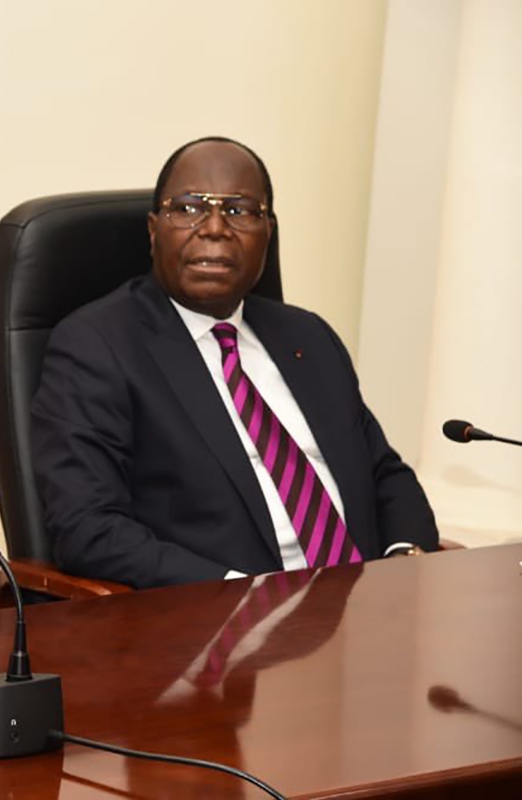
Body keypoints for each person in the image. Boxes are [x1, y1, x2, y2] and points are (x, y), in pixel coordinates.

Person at [31, 136, 438, 590]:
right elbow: (88, 529)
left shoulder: (309, 337)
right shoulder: (97, 347)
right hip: (221, 617)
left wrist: (405, 557)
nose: (214, 228)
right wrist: (240, 593)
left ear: (268, 233)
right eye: (188, 208)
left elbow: (384, 474)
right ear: (153, 230)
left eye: (239, 210)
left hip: (367, 603)